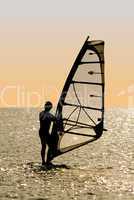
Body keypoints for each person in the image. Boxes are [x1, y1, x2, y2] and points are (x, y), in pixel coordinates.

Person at [39, 101, 56, 165]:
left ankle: (48, 160)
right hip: (42, 132)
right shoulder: (42, 113)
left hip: (46, 132)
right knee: (44, 146)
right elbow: (44, 117)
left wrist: (60, 119)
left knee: (51, 146)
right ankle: (43, 161)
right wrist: (54, 118)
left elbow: (54, 119)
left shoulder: (49, 115)